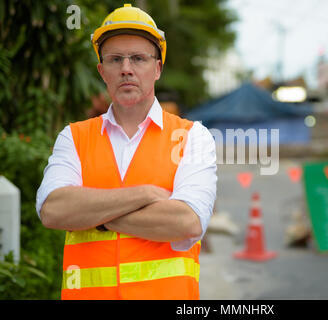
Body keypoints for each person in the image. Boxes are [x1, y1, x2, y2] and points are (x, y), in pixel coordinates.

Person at [36, 3, 217, 300]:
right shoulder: (73, 137)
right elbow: (53, 210)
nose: (126, 69)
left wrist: (93, 214)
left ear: (157, 68)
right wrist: (145, 194)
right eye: (115, 59)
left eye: (138, 58)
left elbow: (186, 222)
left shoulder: (193, 137)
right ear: (102, 71)